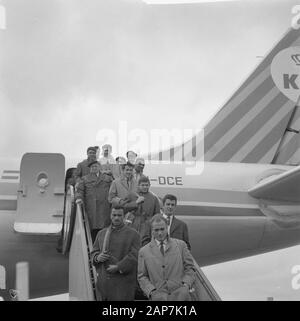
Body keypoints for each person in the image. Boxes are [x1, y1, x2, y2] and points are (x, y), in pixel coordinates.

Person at [138, 214, 195, 301]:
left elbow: (190, 268)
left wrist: (186, 285)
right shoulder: (144, 251)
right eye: (156, 230)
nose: (160, 233)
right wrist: (151, 291)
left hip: (181, 296)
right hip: (158, 298)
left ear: (167, 228)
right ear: (151, 231)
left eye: (162, 229)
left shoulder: (181, 245)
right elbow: (142, 276)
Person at [91, 208, 141, 301]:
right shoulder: (101, 233)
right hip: (104, 284)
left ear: (124, 216)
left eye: (119, 215)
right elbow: (94, 252)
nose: (116, 218)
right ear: (110, 216)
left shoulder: (134, 234)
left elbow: (135, 255)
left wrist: (119, 267)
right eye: (114, 215)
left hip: (123, 284)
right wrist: (97, 257)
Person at [75, 160, 113, 242]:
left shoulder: (108, 178)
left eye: (96, 166)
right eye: (92, 167)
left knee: (104, 229)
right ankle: (93, 248)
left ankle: (103, 249)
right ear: (89, 169)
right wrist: (79, 198)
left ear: (99, 167)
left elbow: (113, 191)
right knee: (92, 229)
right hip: (91, 207)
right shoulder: (84, 179)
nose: (94, 168)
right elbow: (79, 190)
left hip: (105, 207)